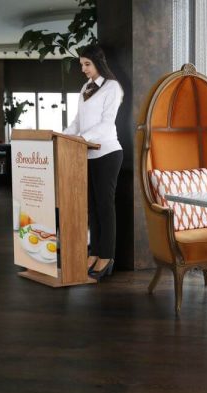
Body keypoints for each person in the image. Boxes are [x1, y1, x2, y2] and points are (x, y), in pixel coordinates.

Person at [63, 44, 123, 280]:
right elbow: (78, 121)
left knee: (105, 207)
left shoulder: (112, 87)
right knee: (93, 207)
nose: (84, 69)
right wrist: (65, 135)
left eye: (87, 64)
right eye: (81, 65)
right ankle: (95, 252)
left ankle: (107, 256)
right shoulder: (84, 88)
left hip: (108, 153)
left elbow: (107, 123)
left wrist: (82, 138)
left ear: (99, 62)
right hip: (86, 154)